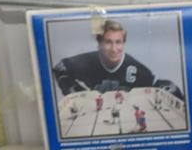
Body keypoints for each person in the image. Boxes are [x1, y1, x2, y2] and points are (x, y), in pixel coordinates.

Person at [52, 20, 184, 99]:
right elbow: (59, 68)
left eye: (118, 42)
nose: (114, 49)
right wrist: (76, 93)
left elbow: (163, 86)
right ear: (99, 43)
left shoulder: (134, 68)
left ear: (123, 44)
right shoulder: (87, 62)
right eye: (108, 42)